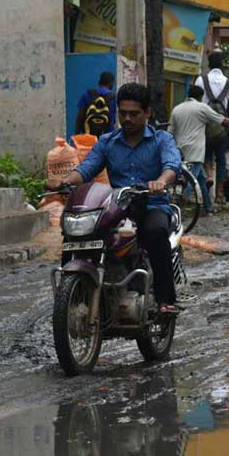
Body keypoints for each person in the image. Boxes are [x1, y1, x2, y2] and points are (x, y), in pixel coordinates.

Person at [51, 83, 182, 315]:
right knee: (77, 233)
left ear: (147, 113)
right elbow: (87, 168)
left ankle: (165, 299)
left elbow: (172, 165)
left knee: (154, 232)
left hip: (152, 204)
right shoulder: (107, 142)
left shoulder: (162, 139)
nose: (127, 118)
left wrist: (161, 181)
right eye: (123, 113)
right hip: (119, 206)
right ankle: (72, 292)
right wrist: (67, 181)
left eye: (134, 113)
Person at [169, 86, 229, 215]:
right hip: (196, 150)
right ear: (200, 97)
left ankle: (208, 207)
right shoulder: (202, 108)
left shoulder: (176, 109)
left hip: (180, 149)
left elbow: (170, 132)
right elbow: (223, 121)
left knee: (202, 179)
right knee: (193, 178)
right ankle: (181, 200)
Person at [195, 51, 229, 204]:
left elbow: (195, 103)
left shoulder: (200, 81)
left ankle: (209, 179)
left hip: (205, 126)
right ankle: (220, 194)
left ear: (209, 64)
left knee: (207, 156)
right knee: (221, 160)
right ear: (222, 65)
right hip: (223, 127)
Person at [75, 71, 116, 136]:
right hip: (107, 137)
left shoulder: (87, 94)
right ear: (111, 84)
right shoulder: (113, 98)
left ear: (99, 82)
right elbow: (113, 120)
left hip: (88, 136)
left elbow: (80, 116)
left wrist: (76, 134)